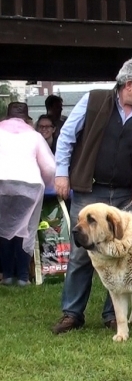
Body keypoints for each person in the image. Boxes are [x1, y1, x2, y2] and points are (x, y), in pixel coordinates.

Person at [51, 58, 132, 334]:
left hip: (126, 194)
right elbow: (66, 137)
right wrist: (62, 173)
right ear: (129, 85)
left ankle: (114, 315)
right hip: (91, 188)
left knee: (120, 253)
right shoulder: (93, 100)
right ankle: (72, 313)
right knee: (80, 252)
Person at [0, 102, 55, 286]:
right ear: (27, 118)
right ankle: (23, 277)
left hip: (2, 185)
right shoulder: (35, 136)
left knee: (3, 229)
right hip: (30, 186)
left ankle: (7, 275)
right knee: (26, 230)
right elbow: (50, 167)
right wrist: (48, 184)